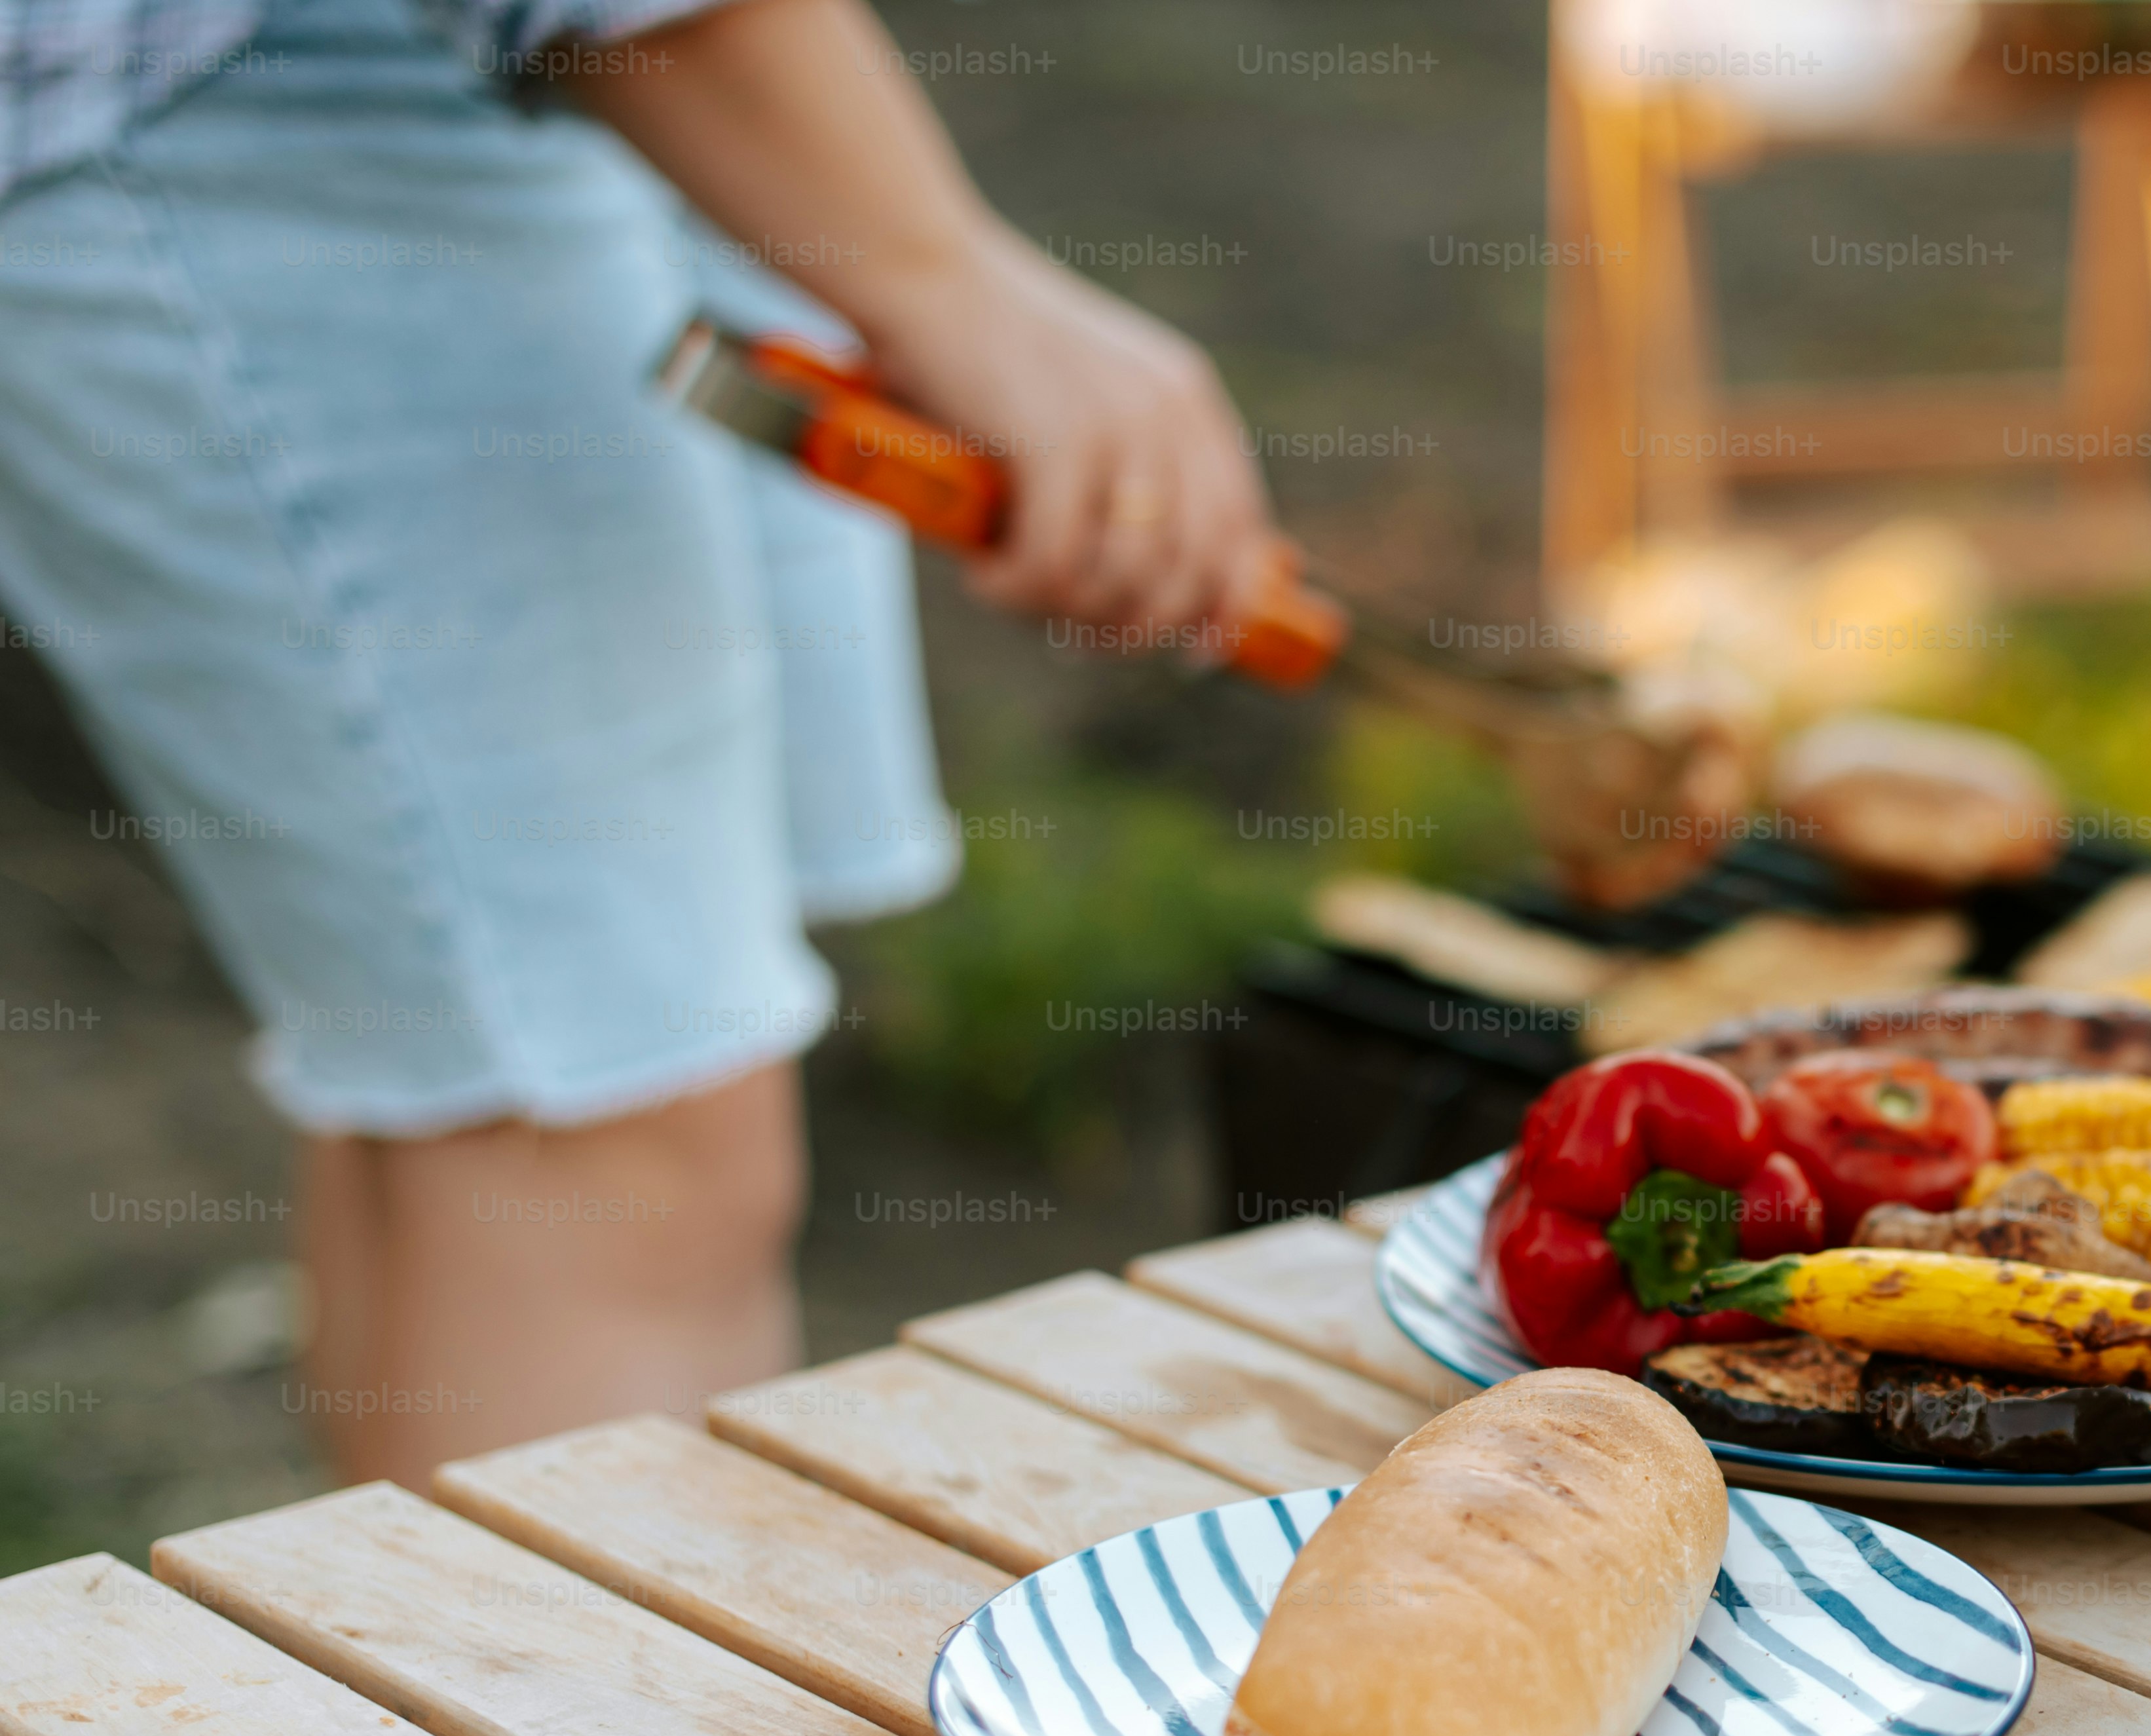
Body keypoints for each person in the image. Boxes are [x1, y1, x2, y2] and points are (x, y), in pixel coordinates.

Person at [0, 0, 1273, 1486]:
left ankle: (407, 1706)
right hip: (249, 80)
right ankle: (559, 1724)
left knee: (495, 1059)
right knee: (614, 1131)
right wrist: (942, 270)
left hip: (601, 71)